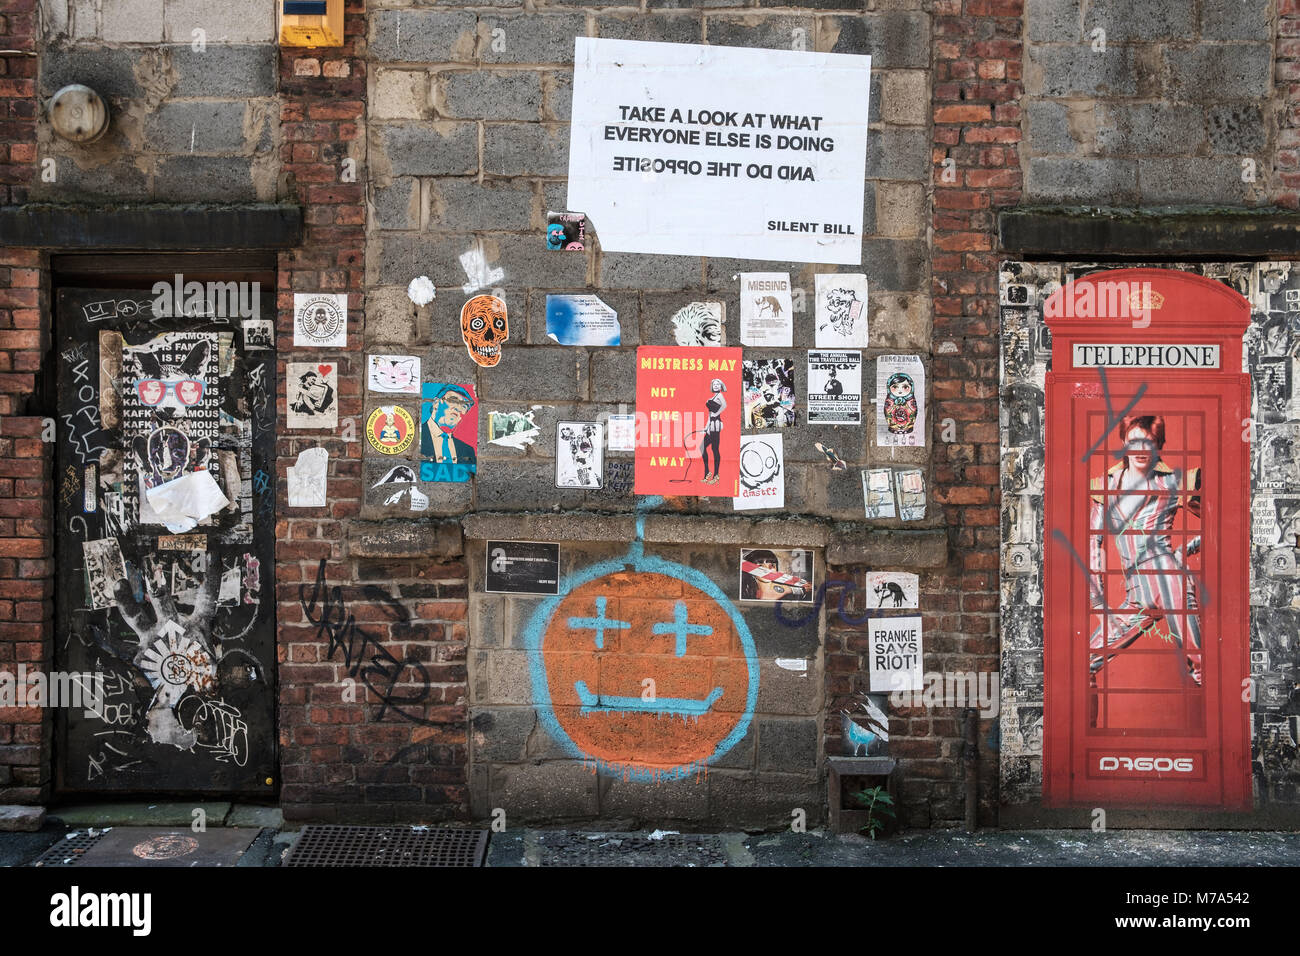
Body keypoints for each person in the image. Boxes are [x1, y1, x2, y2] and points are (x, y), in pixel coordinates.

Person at [1089, 414, 1202, 684]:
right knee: (1085, 660)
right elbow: (1094, 542)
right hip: (1137, 596)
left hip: (1170, 583)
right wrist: (1097, 602)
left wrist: (1182, 552)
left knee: (1201, 668)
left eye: (1149, 442)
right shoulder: (1105, 485)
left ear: (1158, 446)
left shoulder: (1173, 483)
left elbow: (1224, 524)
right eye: (1134, 441)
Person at [421, 384, 476, 464]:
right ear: (436, 403)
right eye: (453, 400)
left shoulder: (467, 450)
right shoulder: (417, 436)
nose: (459, 408)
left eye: (464, 406)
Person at [701, 378, 725, 484]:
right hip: (710, 426)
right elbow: (709, 415)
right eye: (714, 384)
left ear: (721, 386)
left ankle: (716, 475)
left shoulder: (720, 396)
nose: (715, 386)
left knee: (715, 449)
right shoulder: (713, 397)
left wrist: (716, 413)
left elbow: (724, 406)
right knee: (702, 447)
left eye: (718, 384)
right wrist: (706, 427)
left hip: (715, 426)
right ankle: (707, 473)